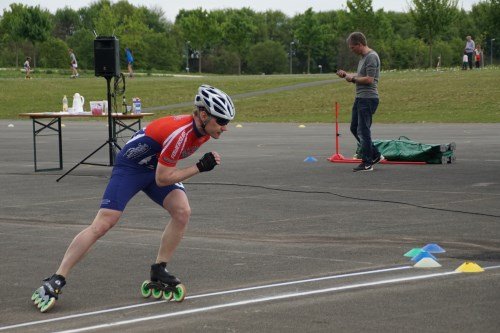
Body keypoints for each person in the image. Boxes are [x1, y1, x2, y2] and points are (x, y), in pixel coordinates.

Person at [31, 84, 236, 313]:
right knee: (103, 224)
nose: (225, 128)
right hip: (131, 167)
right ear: (204, 115)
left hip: (154, 166)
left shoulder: (204, 131)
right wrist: (199, 167)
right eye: (221, 121)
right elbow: (163, 179)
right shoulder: (182, 133)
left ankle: (159, 269)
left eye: (227, 122)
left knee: (182, 212)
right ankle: (57, 278)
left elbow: (163, 169)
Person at [336, 32, 383, 172]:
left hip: (368, 99)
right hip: (360, 97)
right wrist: (347, 75)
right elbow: (361, 76)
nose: (351, 50)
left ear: (360, 44)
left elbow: (369, 79)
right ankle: (375, 154)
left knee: (363, 130)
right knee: (354, 127)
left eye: (352, 47)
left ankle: (367, 163)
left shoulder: (371, 57)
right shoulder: (363, 58)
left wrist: (353, 79)